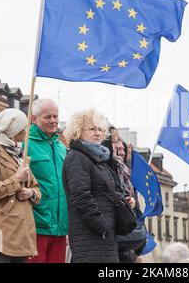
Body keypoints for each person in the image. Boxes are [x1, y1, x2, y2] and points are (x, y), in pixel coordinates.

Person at [62, 109, 135, 263]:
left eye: (100, 129)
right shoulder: (77, 157)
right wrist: (102, 225)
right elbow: (81, 196)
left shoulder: (98, 159)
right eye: (92, 129)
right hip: (91, 235)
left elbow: (107, 192)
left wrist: (124, 200)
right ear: (78, 131)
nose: (97, 133)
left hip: (104, 237)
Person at [0, 108, 41, 263]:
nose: (26, 131)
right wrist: (15, 180)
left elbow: (37, 189)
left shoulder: (19, 154)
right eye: (23, 128)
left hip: (20, 234)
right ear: (14, 131)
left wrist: (31, 193)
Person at [26, 99, 68, 263]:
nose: (53, 121)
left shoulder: (61, 148)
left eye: (55, 116)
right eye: (47, 117)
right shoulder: (25, 146)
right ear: (34, 119)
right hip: (37, 224)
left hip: (60, 226)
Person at [101, 127, 145, 263]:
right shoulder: (105, 168)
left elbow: (135, 210)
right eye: (114, 142)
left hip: (122, 237)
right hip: (111, 234)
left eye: (121, 147)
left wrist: (129, 202)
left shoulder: (122, 170)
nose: (119, 147)